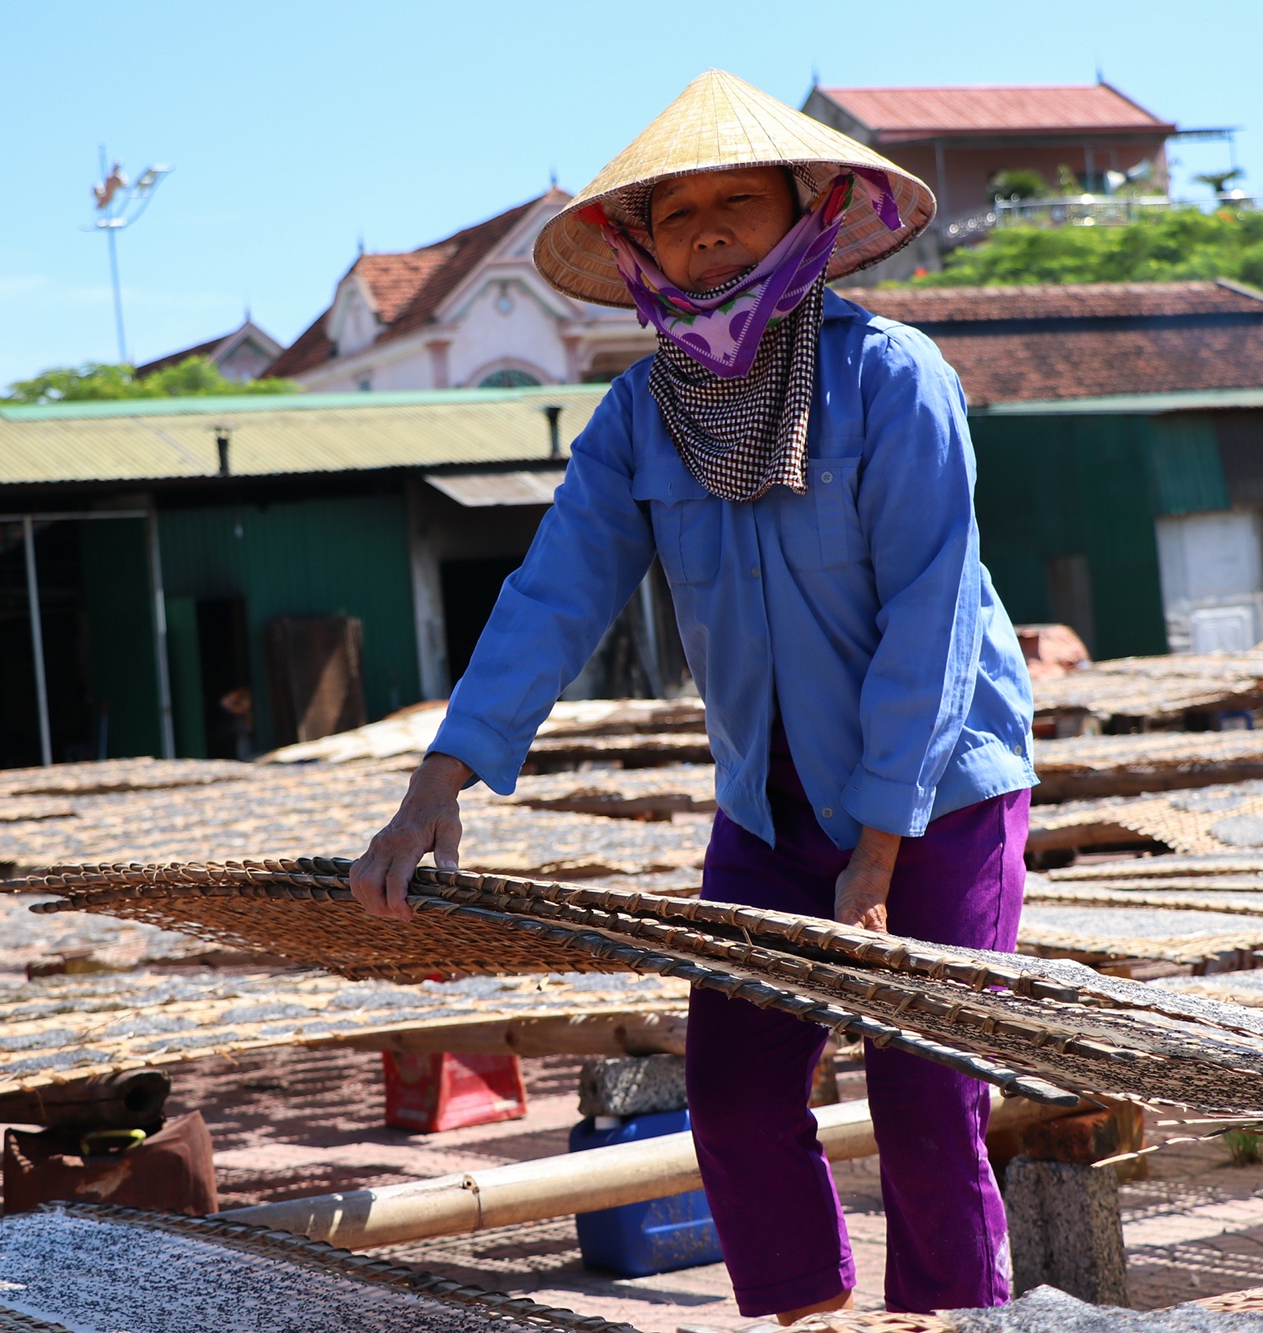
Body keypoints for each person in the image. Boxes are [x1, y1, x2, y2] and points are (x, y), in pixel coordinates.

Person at [351, 70, 1036, 1321]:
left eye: (739, 203)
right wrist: (431, 789)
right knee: (731, 1094)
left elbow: (930, 622)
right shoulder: (637, 416)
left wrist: (877, 849)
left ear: (806, 220)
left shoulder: (895, 379)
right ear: (640, 247)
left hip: (935, 797)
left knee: (926, 1089)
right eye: (678, 215)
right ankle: (803, 1315)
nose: (709, 230)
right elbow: (552, 594)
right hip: (767, 811)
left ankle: (944, 1318)